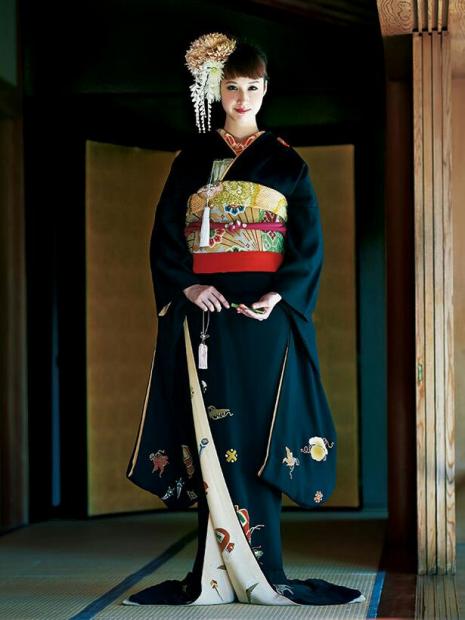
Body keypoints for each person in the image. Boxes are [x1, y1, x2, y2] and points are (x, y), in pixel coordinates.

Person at [123, 32, 366, 607]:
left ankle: (262, 566)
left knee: (259, 435)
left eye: (252, 88)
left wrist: (280, 296)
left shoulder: (287, 162)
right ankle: (212, 571)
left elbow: (307, 244)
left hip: (263, 318)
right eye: (232, 87)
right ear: (217, 90)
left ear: (265, 90)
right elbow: (165, 235)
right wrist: (189, 285)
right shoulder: (191, 161)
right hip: (206, 314)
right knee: (210, 431)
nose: (242, 98)